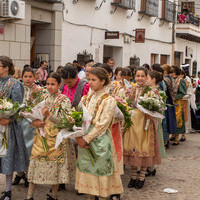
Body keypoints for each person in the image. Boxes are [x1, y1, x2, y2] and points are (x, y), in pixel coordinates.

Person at [75, 67, 123, 200]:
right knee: (89, 179)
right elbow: (77, 117)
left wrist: (86, 138)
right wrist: (78, 136)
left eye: (93, 80)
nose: (90, 82)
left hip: (100, 142)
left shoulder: (109, 100)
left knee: (101, 180)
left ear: (103, 81)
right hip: (84, 141)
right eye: (89, 79)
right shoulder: (85, 98)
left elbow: (103, 124)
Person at [26, 72, 76, 200]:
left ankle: (54, 195)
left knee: (56, 167)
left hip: (57, 137)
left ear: (59, 85)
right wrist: (35, 122)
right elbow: (33, 114)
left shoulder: (64, 100)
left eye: (52, 84)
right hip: (41, 136)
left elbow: (66, 121)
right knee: (36, 164)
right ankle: (29, 195)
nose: (49, 86)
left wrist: (49, 115)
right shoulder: (43, 97)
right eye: (47, 84)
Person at [123, 67, 161, 189]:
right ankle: (133, 176)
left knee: (143, 148)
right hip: (133, 122)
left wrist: (151, 111)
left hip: (145, 122)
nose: (140, 78)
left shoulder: (151, 91)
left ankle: (142, 177)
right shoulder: (132, 89)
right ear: (135, 77)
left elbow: (157, 107)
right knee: (132, 148)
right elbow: (128, 104)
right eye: (138, 76)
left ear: (146, 77)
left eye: (142, 76)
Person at [0, 56, 29, 200]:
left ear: (6, 68)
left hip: (9, 127)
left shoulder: (15, 84)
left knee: (8, 157)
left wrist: (8, 118)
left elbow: (17, 108)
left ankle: (8, 190)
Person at [12, 68, 42, 188]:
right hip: (18, 122)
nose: (28, 79)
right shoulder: (17, 88)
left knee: (29, 150)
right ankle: (19, 174)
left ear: (34, 77)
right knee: (18, 148)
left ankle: (29, 175)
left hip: (31, 124)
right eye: (25, 76)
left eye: (30, 76)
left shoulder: (39, 90)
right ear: (22, 77)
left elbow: (40, 106)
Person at [170, 66, 187, 145]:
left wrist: (175, 97)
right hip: (171, 102)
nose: (171, 73)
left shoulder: (181, 81)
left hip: (177, 103)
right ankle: (173, 134)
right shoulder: (170, 80)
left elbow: (183, 92)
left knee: (178, 119)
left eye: (172, 72)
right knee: (172, 119)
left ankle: (177, 137)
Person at [162, 64, 177, 148]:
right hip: (170, 101)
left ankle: (166, 140)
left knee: (166, 122)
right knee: (168, 121)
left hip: (167, 100)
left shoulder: (166, 79)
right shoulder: (170, 79)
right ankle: (166, 139)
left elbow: (169, 91)